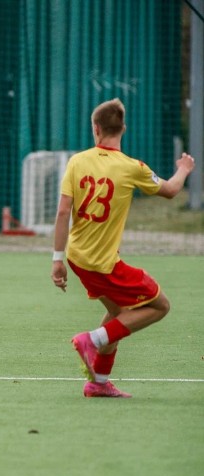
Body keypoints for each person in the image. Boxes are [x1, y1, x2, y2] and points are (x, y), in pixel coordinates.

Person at [51, 98, 195, 397]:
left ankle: (98, 383)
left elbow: (63, 212)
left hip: (77, 257)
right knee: (160, 305)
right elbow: (170, 190)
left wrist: (57, 259)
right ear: (123, 129)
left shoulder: (77, 161)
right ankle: (91, 339)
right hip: (103, 264)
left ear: (96, 128)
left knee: (120, 314)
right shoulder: (132, 168)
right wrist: (183, 169)